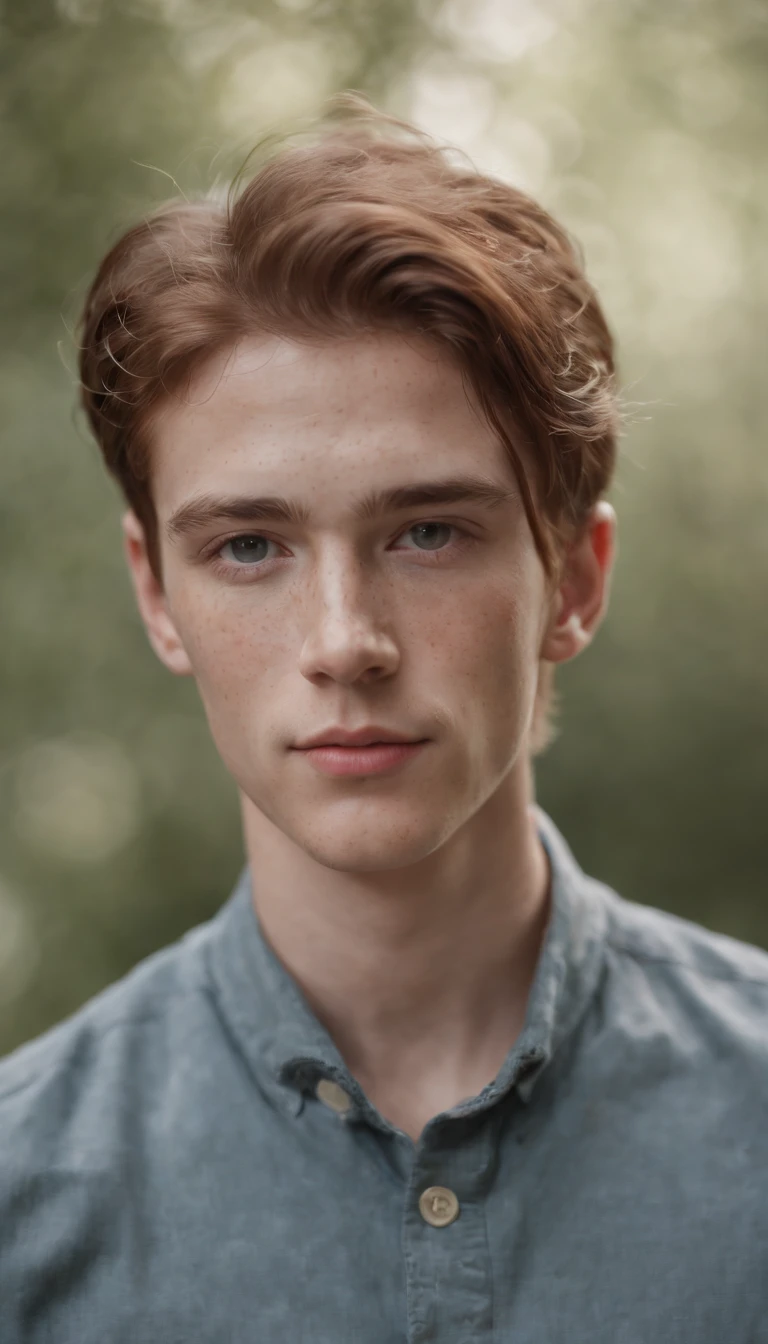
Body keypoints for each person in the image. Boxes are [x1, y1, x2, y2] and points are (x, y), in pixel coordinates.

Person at [1, 100, 766, 1343]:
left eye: (428, 532)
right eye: (250, 546)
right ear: (158, 593)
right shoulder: (24, 1204)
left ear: (573, 580)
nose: (345, 640)